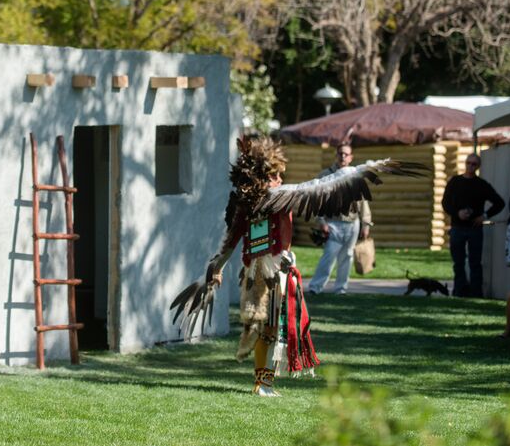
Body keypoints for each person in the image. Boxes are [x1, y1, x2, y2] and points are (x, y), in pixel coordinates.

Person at [171, 137, 423, 396]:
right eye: (275, 175)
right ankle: (263, 383)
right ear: (263, 176)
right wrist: (216, 269)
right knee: (267, 328)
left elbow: (230, 241)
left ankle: (264, 383)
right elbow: (232, 239)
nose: (280, 179)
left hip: (270, 271)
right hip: (266, 272)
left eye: (281, 175)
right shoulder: (269, 199)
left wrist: (217, 267)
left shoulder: (254, 202)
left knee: (271, 328)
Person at [307, 143, 372, 295]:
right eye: (340, 154)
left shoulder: (357, 176)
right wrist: (321, 221)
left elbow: (363, 201)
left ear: (351, 157)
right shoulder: (325, 175)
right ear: (336, 156)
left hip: (353, 223)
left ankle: (341, 289)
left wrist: (366, 224)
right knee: (329, 255)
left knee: (347, 257)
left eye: (346, 154)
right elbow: (316, 201)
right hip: (333, 222)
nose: (343, 156)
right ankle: (315, 287)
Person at [441, 153, 505, 297]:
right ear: (465, 163)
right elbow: (445, 203)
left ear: (478, 166)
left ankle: (476, 292)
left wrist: (484, 216)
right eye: (468, 163)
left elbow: (499, 203)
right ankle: (459, 290)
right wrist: (457, 213)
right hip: (457, 227)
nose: (470, 166)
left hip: (475, 229)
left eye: (474, 164)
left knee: (475, 263)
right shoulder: (455, 182)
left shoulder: (481, 185)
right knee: (458, 262)